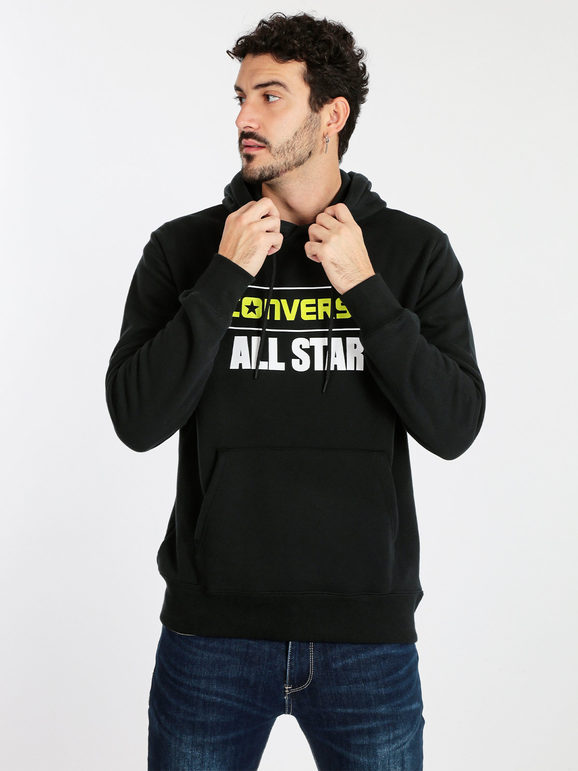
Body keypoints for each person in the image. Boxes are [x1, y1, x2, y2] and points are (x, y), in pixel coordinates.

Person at [105, 11, 486, 770]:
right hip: (210, 636)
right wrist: (224, 277)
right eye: (241, 97)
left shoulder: (411, 251)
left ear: (331, 115)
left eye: (270, 96)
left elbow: (454, 426)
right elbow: (136, 418)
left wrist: (366, 289)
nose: (244, 117)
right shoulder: (185, 248)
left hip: (366, 641)